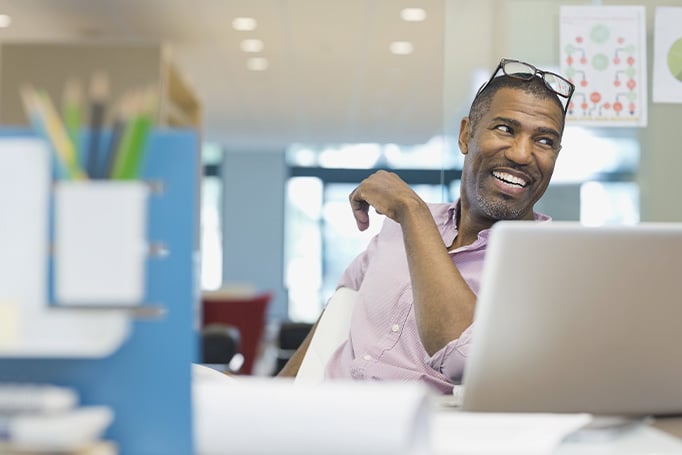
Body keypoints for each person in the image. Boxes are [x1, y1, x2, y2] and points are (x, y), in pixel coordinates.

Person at [278, 58, 575, 393]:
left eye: (545, 141)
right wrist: (274, 395)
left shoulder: (549, 262)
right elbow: (338, 312)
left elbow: (466, 357)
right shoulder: (395, 229)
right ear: (466, 135)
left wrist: (412, 212)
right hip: (320, 418)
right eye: (505, 129)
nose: (522, 154)